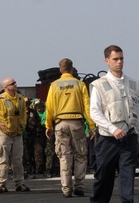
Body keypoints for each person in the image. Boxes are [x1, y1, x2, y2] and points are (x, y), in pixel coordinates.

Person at [89, 45, 139, 203]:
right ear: (107, 61)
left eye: (121, 58)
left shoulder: (133, 84)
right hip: (108, 140)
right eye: (115, 59)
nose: (119, 62)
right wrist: (112, 129)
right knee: (103, 178)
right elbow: (94, 112)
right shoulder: (99, 85)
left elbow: (138, 113)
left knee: (128, 177)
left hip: (129, 139)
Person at [45, 58, 93, 198]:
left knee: (64, 156)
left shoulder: (54, 85)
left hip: (61, 124)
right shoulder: (79, 84)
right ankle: (79, 186)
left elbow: (49, 107)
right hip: (77, 123)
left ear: (60, 70)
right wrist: (91, 125)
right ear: (72, 69)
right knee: (80, 155)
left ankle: (66, 189)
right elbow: (87, 106)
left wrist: (48, 125)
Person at [0, 77, 30, 193]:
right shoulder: (0, 99)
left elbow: (24, 113)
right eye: (12, 83)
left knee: (18, 160)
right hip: (4, 134)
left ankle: (20, 183)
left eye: (15, 82)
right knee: (3, 159)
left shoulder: (20, 98)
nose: (15, 84)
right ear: (6, 87)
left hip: (17, 133)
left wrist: (23, 124)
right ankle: (1, 184)